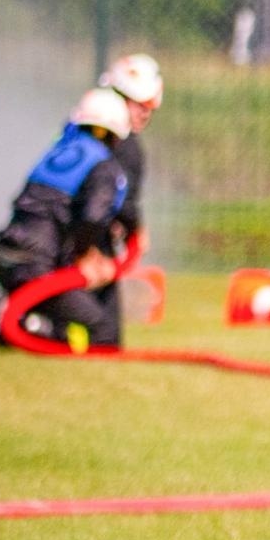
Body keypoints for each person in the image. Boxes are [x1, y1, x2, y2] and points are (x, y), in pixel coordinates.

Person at [0, 88, 130, 352]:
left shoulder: (58, 153)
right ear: (114, 134)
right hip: (37, 267)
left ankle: (15, 316)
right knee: (103, 332)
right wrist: (87, 256)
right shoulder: (102, 166)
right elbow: (93, 217)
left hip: (4, 259)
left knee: (63, 322)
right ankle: (20, 325)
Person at [91, 52, 163, 343]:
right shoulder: (124, 146)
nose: (145, 112)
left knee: (101, 328)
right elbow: (121, 201)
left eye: (150, 106)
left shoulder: (84, 132)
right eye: (139, 104)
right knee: (104, 335)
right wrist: (138, 230)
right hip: (87, 241)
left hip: (85, 237)